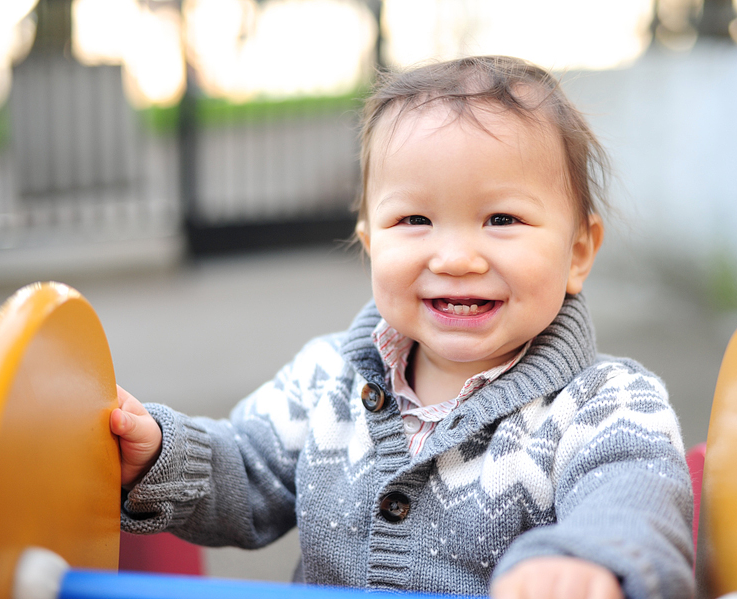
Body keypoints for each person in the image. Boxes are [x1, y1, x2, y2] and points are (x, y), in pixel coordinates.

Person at [112, 55, 694, 599]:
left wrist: (586, 558)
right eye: (415, 219)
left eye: (501, 219)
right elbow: (246, 471)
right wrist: (160, 454)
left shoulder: (608, 405)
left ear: (578, 253)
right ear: (371, 246)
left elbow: (635, 500)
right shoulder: (325, 378)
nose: (455, 258)